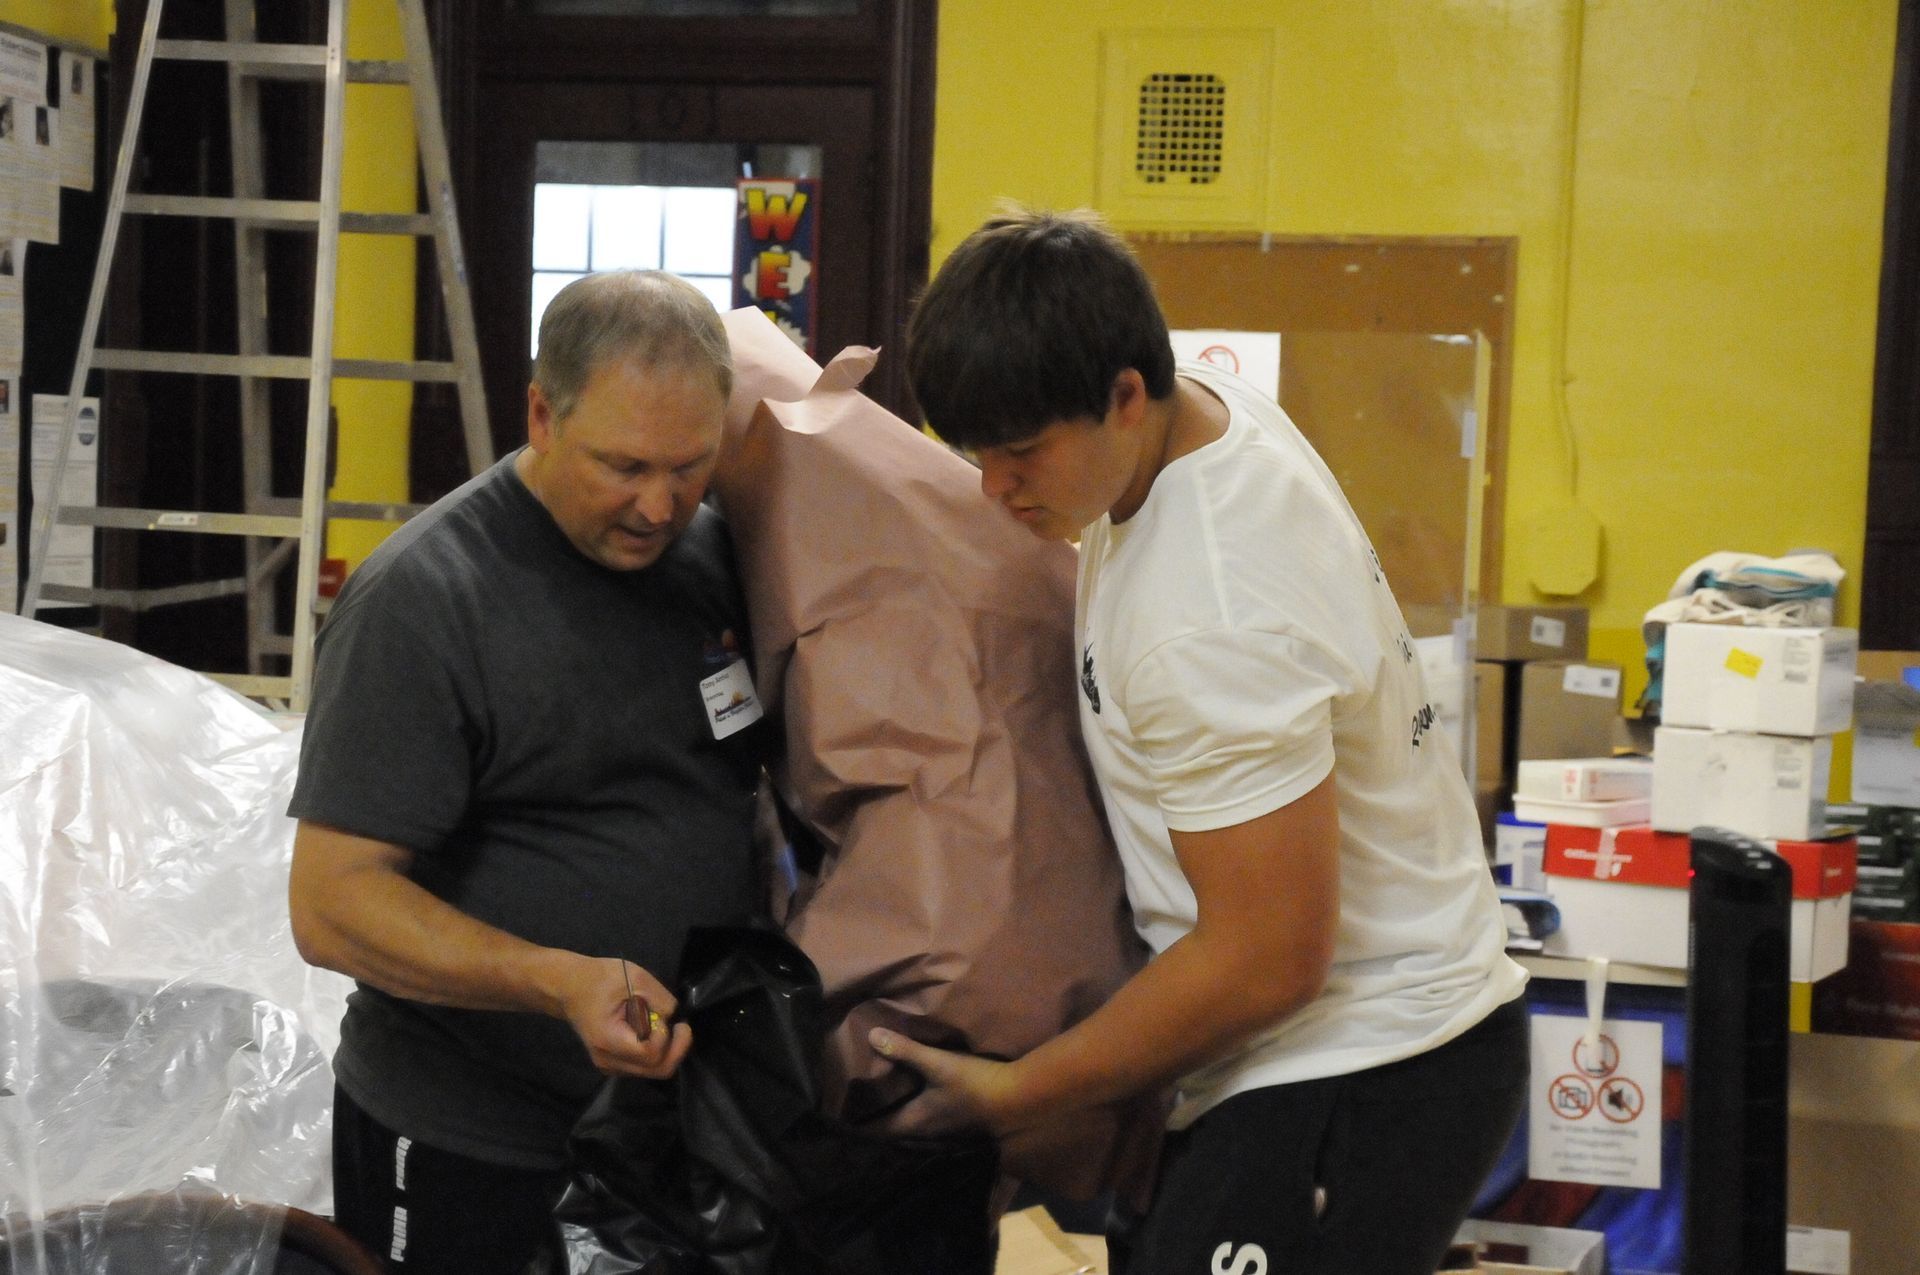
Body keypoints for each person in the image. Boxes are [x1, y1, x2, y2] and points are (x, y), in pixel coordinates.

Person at [873, 207, 1530, 1275]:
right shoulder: (1209, 418)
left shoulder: (1209, 611)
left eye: (1022, 453)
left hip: (1362, 1062)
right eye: (974, 456)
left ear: (1127, 396)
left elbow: (1270, 958)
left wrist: (1028, 1087)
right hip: (1317, 1045)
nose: (995, 490)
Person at [288, 270, 767, 1274]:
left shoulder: (714, 555)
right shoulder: (423, 601)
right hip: (468, 1137)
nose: (658, 504)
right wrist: (559, 984)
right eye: (625, 465)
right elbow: (331, 906)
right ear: (543, 416)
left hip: (662, 1135)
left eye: (689, 466)